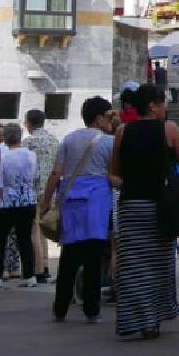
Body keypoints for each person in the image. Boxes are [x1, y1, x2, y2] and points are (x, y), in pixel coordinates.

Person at [110, 83, 179, 338]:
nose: (166, 107)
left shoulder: (123, 131)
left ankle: (137, 320)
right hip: (159, 206)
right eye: (163, 103)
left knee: (133, 266)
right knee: (159, 264)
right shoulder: (169, 128)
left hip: (132, 206)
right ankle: (154, 318)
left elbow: (115, 170)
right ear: (154, 106)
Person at [42, 97, 116, 322]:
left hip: (71, 202)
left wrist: (46, 201)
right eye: (109, 116)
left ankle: (60, 308)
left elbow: (56, 173)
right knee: (94, 259)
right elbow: (114, 174)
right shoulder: (108, 143)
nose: (111, 120)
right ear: (99, 118)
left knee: (69, 258)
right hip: (96, 205)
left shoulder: (69, 139)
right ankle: (91, 311)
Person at [0, 124, 38, 288]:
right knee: (24, 237)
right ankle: (30, 275)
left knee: (0, 239)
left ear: (6, 137)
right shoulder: (31, 155)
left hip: (8, 201)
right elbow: (35, 177)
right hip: (28, 200)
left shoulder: (4, 156)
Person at [22, 109, 58, 284]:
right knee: (45, 228)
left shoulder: (28, 142)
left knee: (35, 230)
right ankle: (45, 265)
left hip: (34, 191)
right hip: (52, 190)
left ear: (29, 123)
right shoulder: (54, 140)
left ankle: (38, 269)